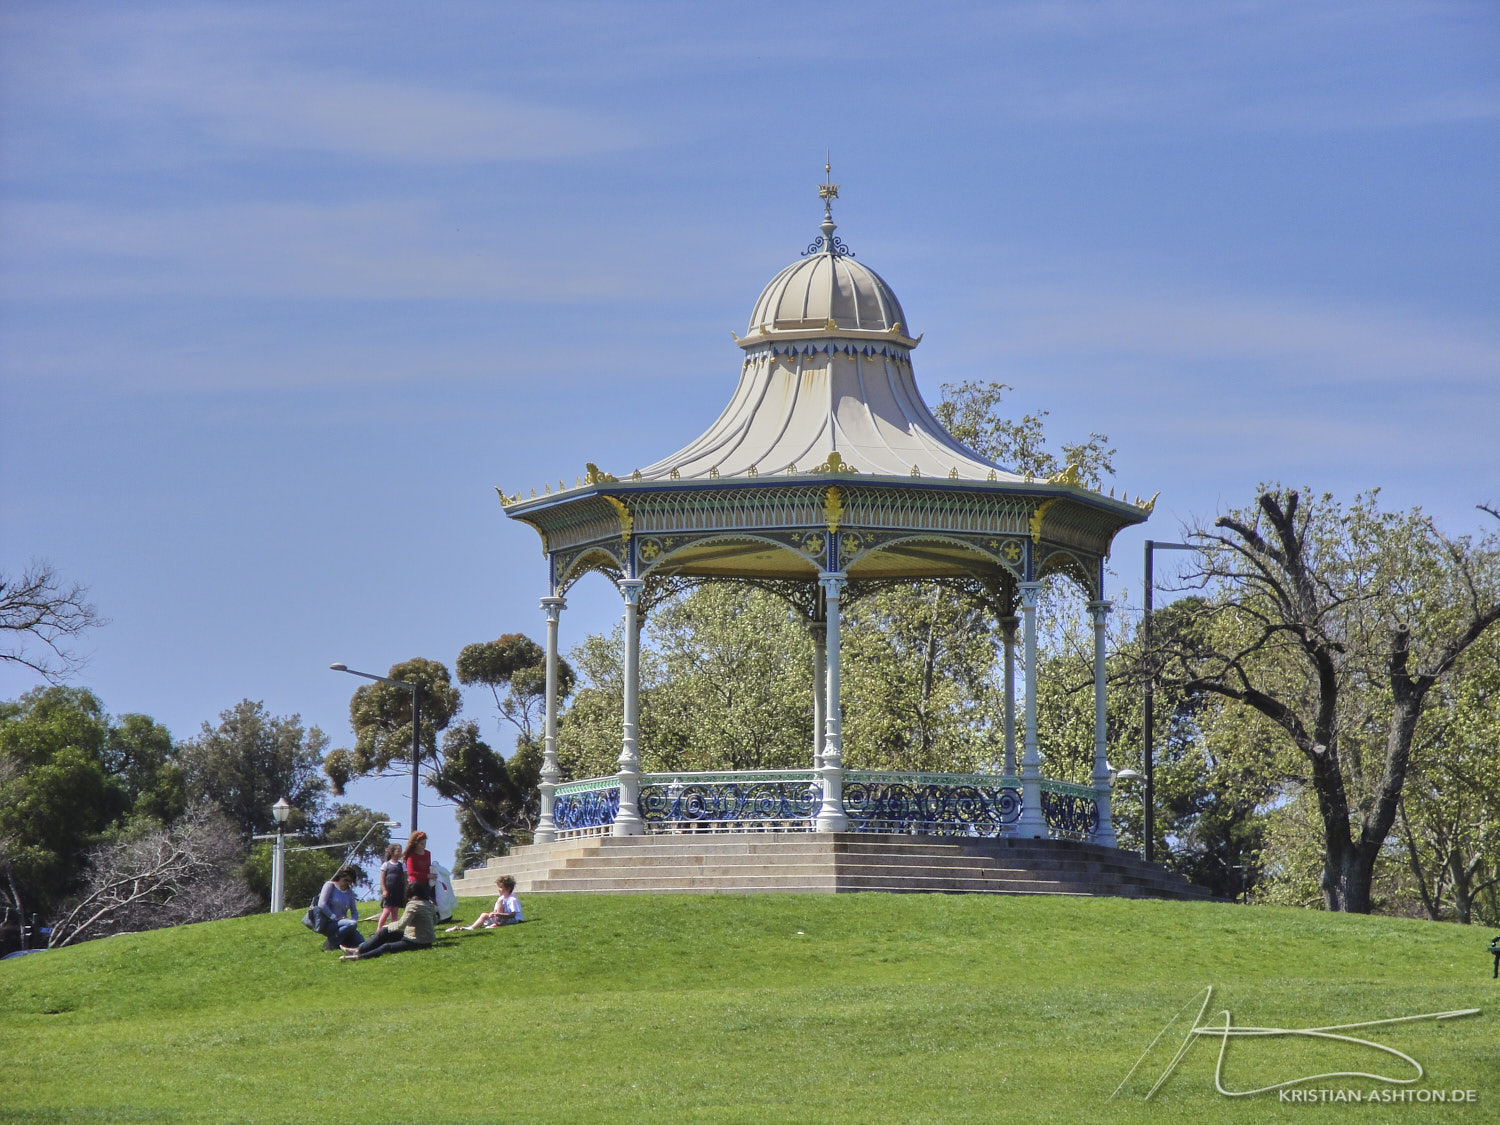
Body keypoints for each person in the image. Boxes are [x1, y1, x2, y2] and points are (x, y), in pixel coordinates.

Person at [340, 895, 435, 960]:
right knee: (385, 932)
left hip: (417, 941)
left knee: (386, 946)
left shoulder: (413, 905)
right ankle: (357, 950)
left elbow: (401, 924)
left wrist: (389, 926)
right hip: (424, 939)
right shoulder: (429, 904)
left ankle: (359, 956)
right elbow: (435, 921)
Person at [446, 876, 523, 932]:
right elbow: (496, 910)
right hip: (501, 918)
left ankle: (496, 924)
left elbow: (513, 914)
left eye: (501, 887)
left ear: (508, 888)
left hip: (511, 920)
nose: (498, 889)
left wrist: (498, 914)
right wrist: (493, 914)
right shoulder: (500, 899)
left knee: (499, 905)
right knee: (484, 915)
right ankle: (472, 927)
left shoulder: (512, 899)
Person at [315, 868, 364, 952]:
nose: (347, 883)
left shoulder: (350, 893)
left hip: (344, 923)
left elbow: (354, 911)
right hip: (329, 922)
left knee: (362, 944)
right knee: (351, 924)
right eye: (346, 880)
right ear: (340, 877)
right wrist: (334, 917)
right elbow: (321, 904)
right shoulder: (330, 885)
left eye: (350, 882)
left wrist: (353, 919)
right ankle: (331, 944)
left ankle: (341, 943)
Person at [375, 844, 407, 930]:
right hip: (388, 892)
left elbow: (405, 878)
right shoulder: (386, 864)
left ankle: (393, 930)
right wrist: (384, 890)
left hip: (398, 892)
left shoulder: (401, 866)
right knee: (386, 911)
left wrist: (406, 890)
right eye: (398, 851)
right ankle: (379, 929)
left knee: (395, 912)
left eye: (401, 851)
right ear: (392, 852)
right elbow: (382, 879)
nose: (400, 853)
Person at [403, 831, 436, 903]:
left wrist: (433, 874)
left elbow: (428, 867)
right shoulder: (411, 856)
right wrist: (427, 875)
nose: (424, 846)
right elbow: (411, 872)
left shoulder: (427, 853)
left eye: (425, 843)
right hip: (416, 885)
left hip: (427, 883)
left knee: (430, 902)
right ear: (416, 843)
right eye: (421, 844)